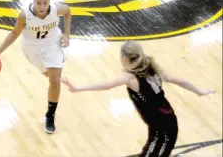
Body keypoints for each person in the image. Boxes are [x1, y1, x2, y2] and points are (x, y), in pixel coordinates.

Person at [61, 40, 215, 157]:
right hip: (164, 124)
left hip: (163, 132)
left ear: (124, 58)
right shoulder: (153, 69)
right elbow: (180, 80)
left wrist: (78, 88)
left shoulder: (130, 78)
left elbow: (106, 85)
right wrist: (199, 91)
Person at [0, 0, 72, 134]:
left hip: (52, 44)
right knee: (49, 75)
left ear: (49, 2)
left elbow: (68, 11)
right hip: (32, 49)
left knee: (55, 80)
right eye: (39, 3)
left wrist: (67, 34)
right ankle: (51, 77)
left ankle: (50, 115)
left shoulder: (56, 9)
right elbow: (15, 33)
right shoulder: (25, 15)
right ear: (33, 2)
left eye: (45, 3)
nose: (42, 7)